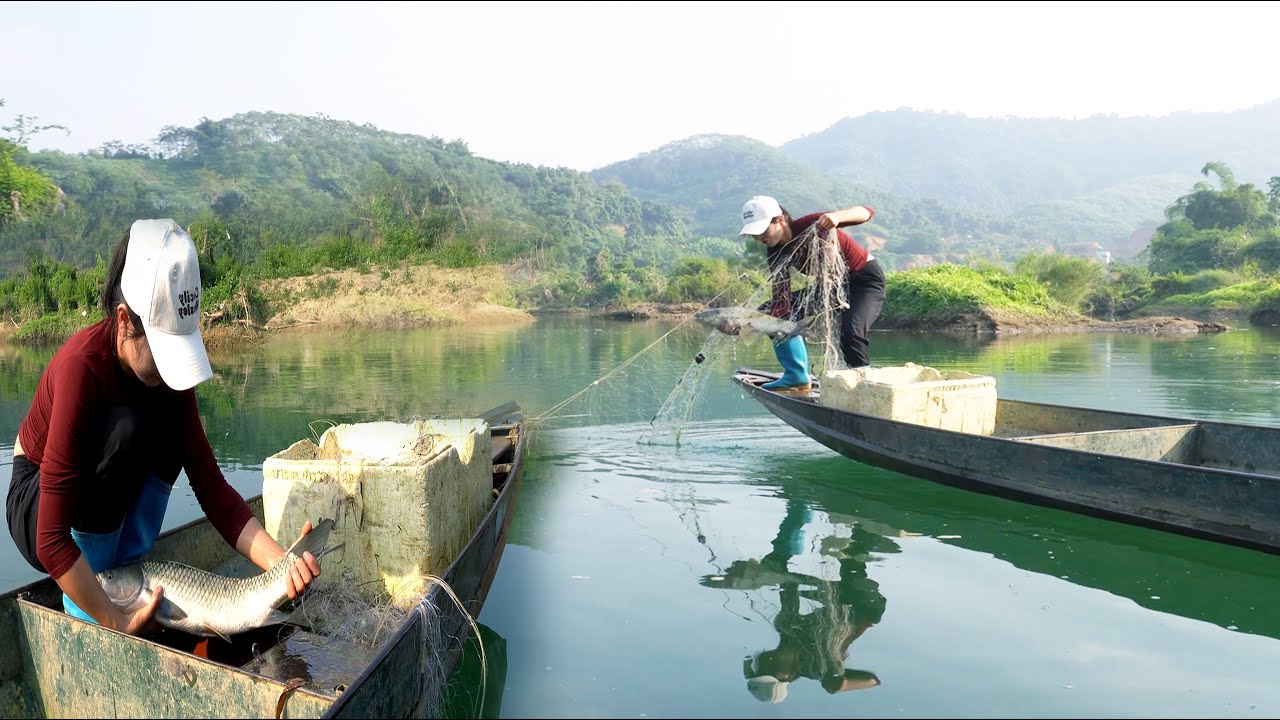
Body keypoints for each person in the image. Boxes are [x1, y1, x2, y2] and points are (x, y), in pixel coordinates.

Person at [5, 219, 322, 636]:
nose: (171, 369)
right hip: (38, 499)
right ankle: (100, 594)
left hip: (91, 493)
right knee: (126, 430)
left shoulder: (169, 380)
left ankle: (131, 573)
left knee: (167, 436)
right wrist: (111, 618)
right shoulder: (80, 369)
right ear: (124, 321)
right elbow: (50, 538)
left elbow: (214, 492)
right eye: (162, 349)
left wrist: (283, 566)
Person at [738, 195, 886, 392]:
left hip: (864, 281)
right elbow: (781, 301)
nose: (759, 238)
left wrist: (836, 217)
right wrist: (747, 324)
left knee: (851, 332)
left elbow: (867, 212)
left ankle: (866, 387)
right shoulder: (775, 253)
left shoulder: (814, 224)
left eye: (763, 230)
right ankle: (796, 376)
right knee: (770, 314)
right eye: (754, 233)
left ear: (780, 220)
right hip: (831, 288)